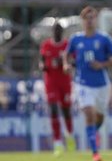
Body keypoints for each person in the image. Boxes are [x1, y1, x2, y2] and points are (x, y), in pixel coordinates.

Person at [63, 6, 112, 161]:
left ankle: (91, 133)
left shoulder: (104, 39)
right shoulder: (76, 39)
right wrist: (66, 65)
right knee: (89, 113)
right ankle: (95, 153)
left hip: (102, 85)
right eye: (86, 18)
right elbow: (67, 55)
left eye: (92, 17)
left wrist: (102, 64)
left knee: (100, 117)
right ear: (82, 20)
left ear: (96, 20)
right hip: (82, 84)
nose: (89, 21)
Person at [39, 22, 76, 156]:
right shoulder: (46, 45)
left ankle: (70, 136)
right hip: (51, 82)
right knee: (54, 110)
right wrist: (42, 66)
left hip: (64, 82)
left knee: (66, 110)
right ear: (52, 32)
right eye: (55, 30)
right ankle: (58, 143)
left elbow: (74, 61)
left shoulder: (67, 45)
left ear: (62, 32)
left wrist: (64, 63)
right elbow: (42, 61)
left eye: (59, 30)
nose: (57, 32)